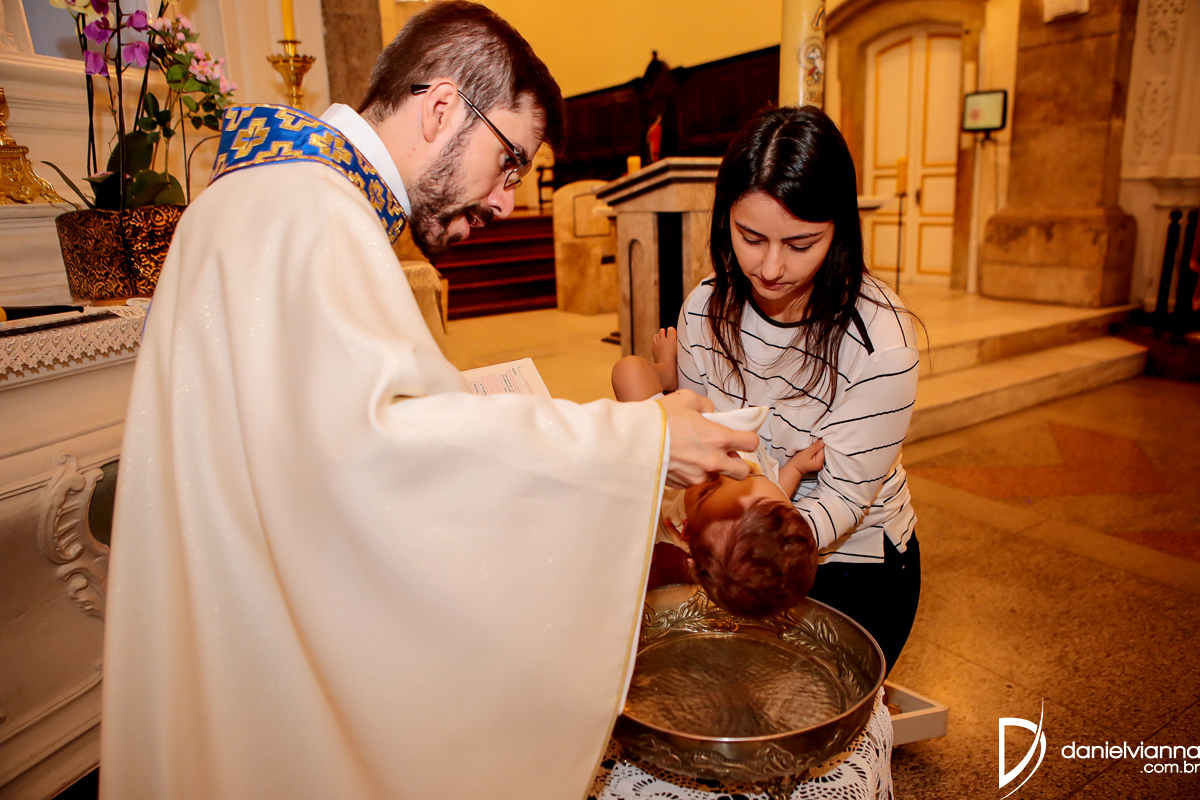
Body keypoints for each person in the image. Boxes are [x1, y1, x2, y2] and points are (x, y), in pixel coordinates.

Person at [99, 4, 758, 800]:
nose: (507, 201)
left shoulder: (264, 196)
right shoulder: (311, 212)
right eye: (509, 162)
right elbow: (383, 462)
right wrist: (639, 441)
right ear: (442, 106)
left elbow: (320, 448)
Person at [673, 105, 922, 676]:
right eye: (751, 237)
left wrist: (754, 563)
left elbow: (843, 498)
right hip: (729, 554)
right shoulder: (704, 308)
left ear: (839, 230)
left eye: (801, 243)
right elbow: (702, 447)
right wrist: (715, 549)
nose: (770, 268)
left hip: (850, 563)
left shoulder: (880, 342)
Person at [612, 336, 822, 617]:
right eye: (750, 476)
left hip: (675, 438)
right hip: (713, 417)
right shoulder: (770, 502)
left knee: (629, 370)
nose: (728, 465)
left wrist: (655, 439)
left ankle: (665, 371)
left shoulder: (665, 506)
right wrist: (796, 468)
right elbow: (780, 486)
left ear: (686, 531)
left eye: (707, 491)